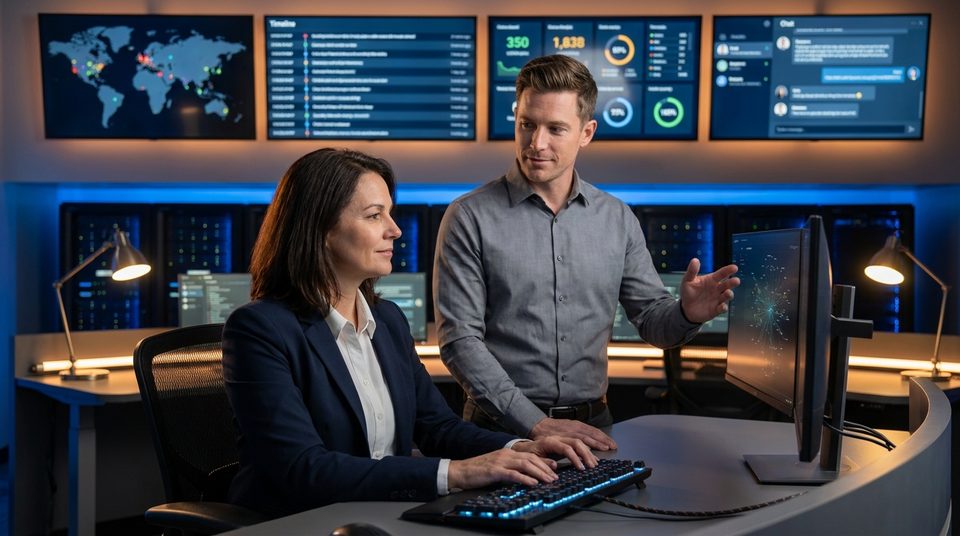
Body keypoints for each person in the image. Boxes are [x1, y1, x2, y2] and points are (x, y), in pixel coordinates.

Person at [222, 148, 596, 518]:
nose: (395, 230)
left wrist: (522, 448)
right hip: (298, 523)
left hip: (378, 515)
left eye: (390, 213)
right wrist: (458, 473)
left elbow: (437, 426)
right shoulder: (259, 330)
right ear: (319, 229)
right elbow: (303, 469)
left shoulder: (387, 320)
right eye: (374, 216)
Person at [434, 55, 739, 450]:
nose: (536, 143)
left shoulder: (617, 219)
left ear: (587, 132)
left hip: (594, 428)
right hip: (500, 433)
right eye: (527, 124)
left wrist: (685, 313)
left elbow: (650, 320)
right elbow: (460, 341)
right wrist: (536, 424)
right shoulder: (468, 216)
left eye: (555, 129)